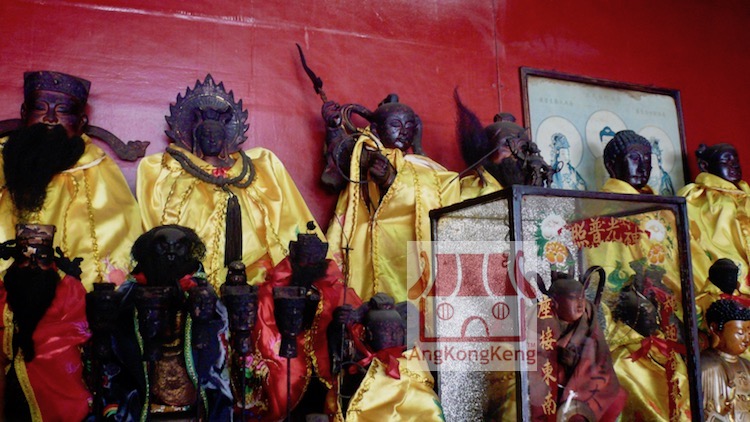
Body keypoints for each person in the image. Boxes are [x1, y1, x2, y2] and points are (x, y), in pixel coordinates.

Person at [137, 75, 323, 288]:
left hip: (252, 272)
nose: (212, 139)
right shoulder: (174, 171)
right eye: (206, 134)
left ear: (226, 138)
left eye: (217, 134)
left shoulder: (254, 169)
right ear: (196, 138)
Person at [0, 71, 143, 290]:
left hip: (75, 291)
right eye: (40, 108)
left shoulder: (95, 165)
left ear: (81, 121)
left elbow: (117, 230)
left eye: (63, 111)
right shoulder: (3, 157)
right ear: (24, 112)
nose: (50, 118)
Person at [324, 94, 461, 302]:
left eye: (409, 126)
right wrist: (334, 129)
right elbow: (336, 171)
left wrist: (392, 179)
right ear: (376, 129)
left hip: (410, 250)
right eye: (396, 125)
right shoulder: (364, 151)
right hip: (370, 241)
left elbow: (442, 191)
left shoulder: (424, 167)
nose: (403, 131)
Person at [111, 225, 233, 420]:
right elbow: (118, 348)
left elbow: (216, 349)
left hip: (192, 403)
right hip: (147, 403)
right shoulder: (129, 296)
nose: (171, 253)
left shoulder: (200, 292)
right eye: (163, 246)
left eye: (178, 246)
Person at [245, 224, 361, 421]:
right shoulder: (276, 286)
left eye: (314, 257)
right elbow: (263, 319)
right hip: (286, 347)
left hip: (323, 354)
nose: (309, 262)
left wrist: (344, 319)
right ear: (294, 252)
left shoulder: (334, 288)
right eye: (304, 256)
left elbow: (353, 316)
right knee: (284, 377)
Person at [0, 224, 91, 420]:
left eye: (41, 256)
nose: (33, 263)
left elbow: (78, 328)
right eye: (25, 256)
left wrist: (43, 343)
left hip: (55, 370)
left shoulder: (69, 286)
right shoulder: (3, 285)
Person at [325, 293, 444, 421]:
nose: (394, 336)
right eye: (386, 331)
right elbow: (339, 356)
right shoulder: (361, 361)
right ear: (368, 334)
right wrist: (338, 325)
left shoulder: (410, 357)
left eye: (398, 331)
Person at [530, 271, 626, 421]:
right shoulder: (542, 319)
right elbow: (535, 355)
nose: (580, 304)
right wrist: (558, 357)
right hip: (554, 378)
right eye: (573, 298)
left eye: (582, 298)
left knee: (616, 395)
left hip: (584, 377)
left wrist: (577, 362)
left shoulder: (587, 318)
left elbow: (599, 355)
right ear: (555, 303)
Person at [678, 143, 750, 297]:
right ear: (705, 166)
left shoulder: (745, 194)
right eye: (726, 161)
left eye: (735, 161)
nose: (734, 166)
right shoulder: (696, 197)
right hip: (728, 270)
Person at [453, 91, 552, 199]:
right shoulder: (476, 190)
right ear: (486, 150)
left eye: (523, 148)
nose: (515, 155)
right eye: (507, 146)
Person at [701, 299, 750, 420]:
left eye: (749, 333)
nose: (746, 339)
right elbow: (711, 415)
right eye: (740, 333)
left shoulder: (747, 365)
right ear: (715, 329)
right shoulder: (709, 366)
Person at [601, 130, 653, 194]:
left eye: (647, 160)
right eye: (634, 158)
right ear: (611, 167)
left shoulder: (654, 196)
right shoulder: (605, 198)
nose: (642, 169)